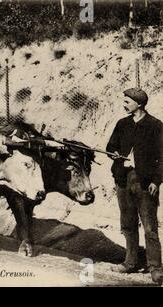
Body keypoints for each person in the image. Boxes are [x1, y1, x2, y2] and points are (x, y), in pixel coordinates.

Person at [106, 87, 162, 285]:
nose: (124, 104)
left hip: (145, 182)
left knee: (149, 227)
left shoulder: (155, 126)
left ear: (139, 104)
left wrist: (156, 181)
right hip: (123, 179)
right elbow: (110, 146)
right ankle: (130, 262)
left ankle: (155, 268)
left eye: (127, 101)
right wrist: (113, 153)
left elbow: (162, 157)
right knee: (128, 225)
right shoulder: (122, 124)